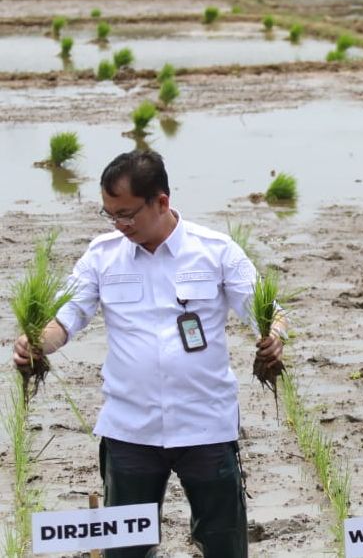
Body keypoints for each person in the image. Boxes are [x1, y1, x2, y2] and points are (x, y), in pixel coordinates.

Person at [12, 150, 284, 558]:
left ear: (161, 202)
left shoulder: (215, 251)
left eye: (127, 214)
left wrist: (274, 337)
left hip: (206, 427)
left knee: (224, 543)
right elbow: (67, 319)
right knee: (126, 549)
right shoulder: (103, 256)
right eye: (110, 215)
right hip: (130, 431)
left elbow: (269, 314)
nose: (119, 225)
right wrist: (36, 344)